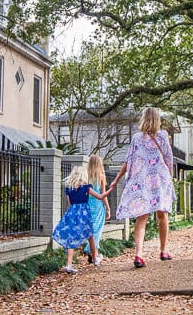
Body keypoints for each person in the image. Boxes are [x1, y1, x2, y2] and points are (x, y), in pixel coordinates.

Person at [109, 107, 175, 268]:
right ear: (158, 119)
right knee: (162, 215)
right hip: (160, 180)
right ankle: (163, 250)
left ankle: (139, 255)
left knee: (141, 217)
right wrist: (170, 178)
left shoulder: (136, 138)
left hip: (142, 182)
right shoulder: (163, 136)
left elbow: (128, 161)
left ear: (143, 119)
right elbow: (169, 159)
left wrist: (117, 179)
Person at [52, 165, 112, 273]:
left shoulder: (69, 189)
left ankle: (69, 265)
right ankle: (95, 259)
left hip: (72, 213)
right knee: (90, 236)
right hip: (84, 214)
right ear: (83, 175)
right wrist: (109, 190)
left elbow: (69, 203)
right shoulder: (86, 187)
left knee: (70, 238)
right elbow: (100, 197)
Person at [82, 155, 111, 264]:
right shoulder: (101, 176)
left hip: (88, 204)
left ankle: (94, 254)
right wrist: (108, 208)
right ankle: (89, 250)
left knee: (91, 229)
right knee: (97, 230)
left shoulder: (86, 176)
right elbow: (103, 194)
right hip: (98, 206)